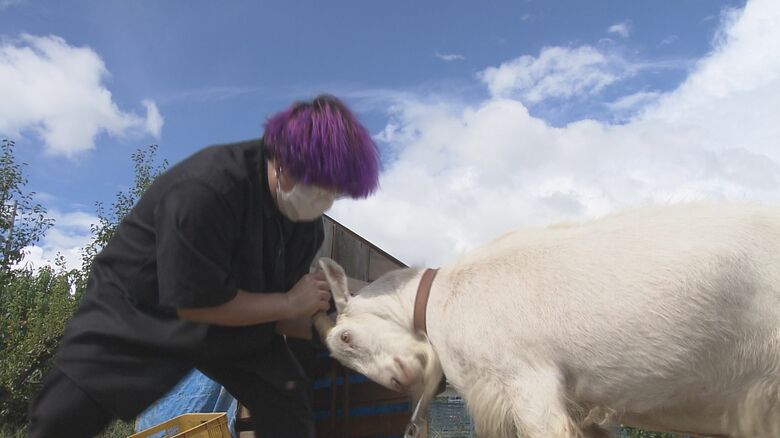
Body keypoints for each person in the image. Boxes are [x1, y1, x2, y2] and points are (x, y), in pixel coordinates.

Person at [27, 94, 380, 438]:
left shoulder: (305, 226)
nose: (325, 200)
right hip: (138, 310)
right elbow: (198, 303)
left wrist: (348, 330)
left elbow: (279, 313)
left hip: (233, 322)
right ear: (284, 160)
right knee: (63, 419)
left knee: (286, 394)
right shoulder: (206, 189)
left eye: (335, 192)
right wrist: (291, 303)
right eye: (319, 185)